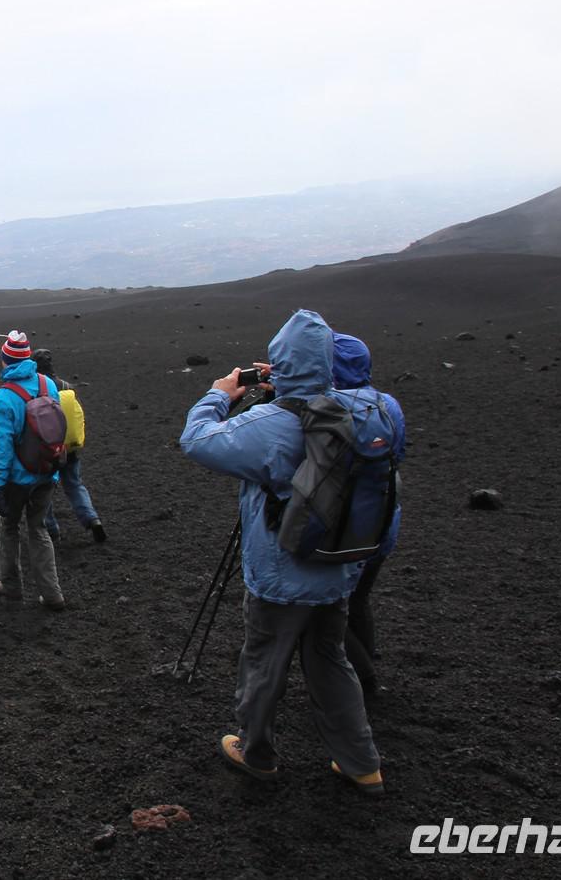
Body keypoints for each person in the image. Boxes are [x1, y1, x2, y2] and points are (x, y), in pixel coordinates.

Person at [178, 309, 384, 796]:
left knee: (264, 663)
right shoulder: (362, 410)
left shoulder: (269, 424)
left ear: (280, 362)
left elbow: (197, 440)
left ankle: (256, 754)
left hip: (280, 574)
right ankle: (361, 763)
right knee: (331, 660)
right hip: (337, 565)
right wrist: (289, 390)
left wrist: (220, 394)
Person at [331, 332, 407, 697]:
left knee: (324, 610)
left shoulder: (328, 409)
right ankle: (367, 666)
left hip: (345, 529)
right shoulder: (387, 405)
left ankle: (364, 678)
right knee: (358, 600)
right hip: (383, 521)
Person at [0, 331, 65, 610]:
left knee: (8, 527)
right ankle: (52, 594)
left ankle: (11, 586)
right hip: (47, 471)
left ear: (5, 361)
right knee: (38, 528)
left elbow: (2, 448)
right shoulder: (48, 385)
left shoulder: (1, 399)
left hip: (18, 480)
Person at [31, 348, 106, 544]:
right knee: (75, 485)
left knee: (43, 488)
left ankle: (51, 530)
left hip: (48, 450)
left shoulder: (37, 389)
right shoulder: (66, 386)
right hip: (70, 448)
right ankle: (92, 519)